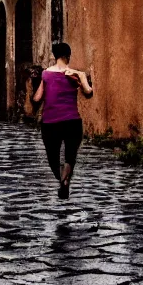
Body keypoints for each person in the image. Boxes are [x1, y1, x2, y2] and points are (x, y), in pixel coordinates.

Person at [32, 42, 93, 200]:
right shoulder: (74, 75)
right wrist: (81, 75)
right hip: (72, 121)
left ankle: (62, 181)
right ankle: (65, 181)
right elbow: (88, 92)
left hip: (50, 123)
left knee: (53, 158)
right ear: (68, 56)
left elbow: (37, 98)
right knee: (70, 157)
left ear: (55, 56)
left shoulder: (46, 74)